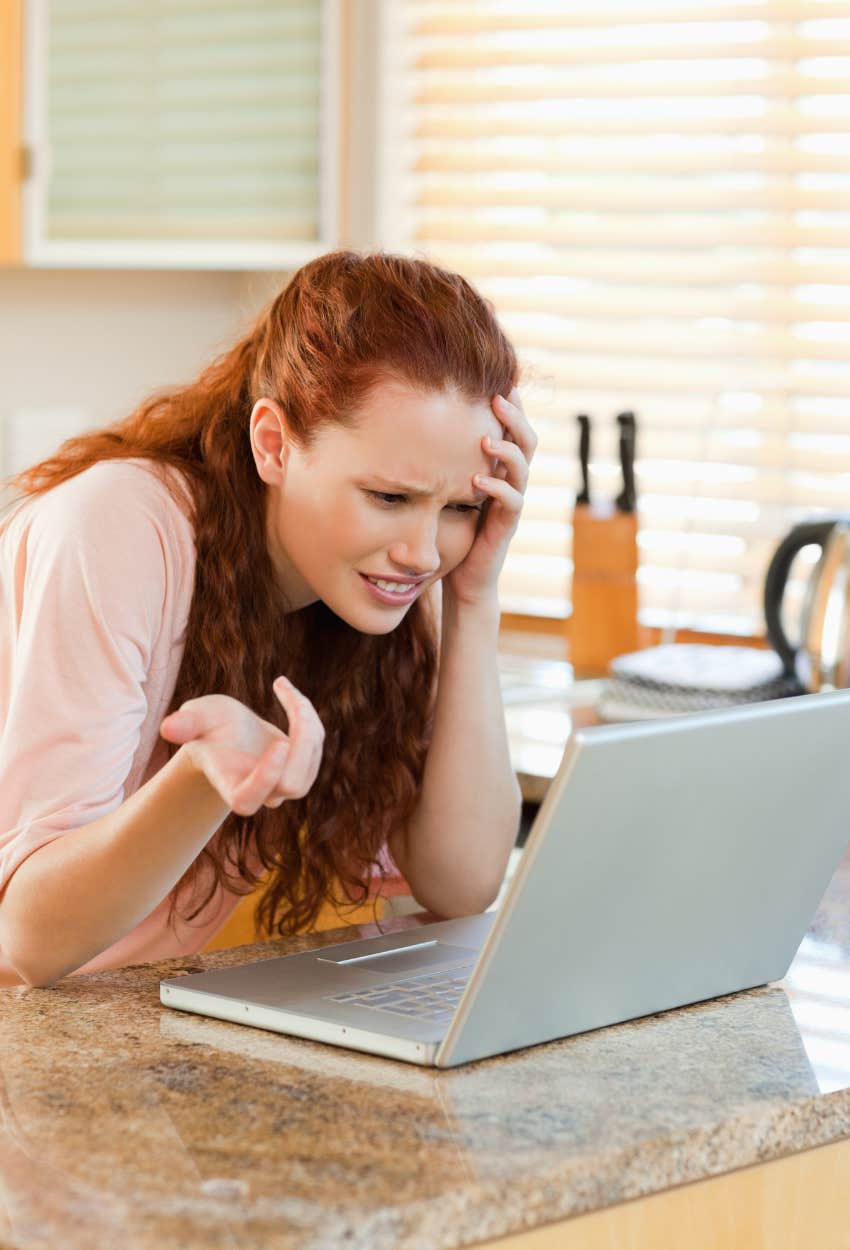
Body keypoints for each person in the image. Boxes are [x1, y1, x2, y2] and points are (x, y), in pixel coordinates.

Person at [0, 250, 535, 989]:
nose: (420, 550)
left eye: (460, 508)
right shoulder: (118, 527)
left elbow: (462, 884)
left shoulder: (399, 578)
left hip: (166, 1015)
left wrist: (474, 598)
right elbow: (28, 940)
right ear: (274, 444)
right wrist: (200, 781)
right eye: (387, 497)